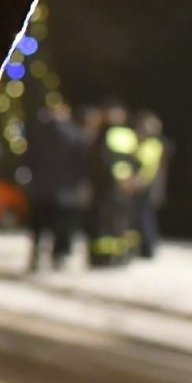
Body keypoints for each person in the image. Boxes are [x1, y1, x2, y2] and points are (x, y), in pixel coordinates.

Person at [25, 100, 88, 271]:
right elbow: (81, 163)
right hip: (65, 191)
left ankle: (36, 256)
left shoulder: (38, 132)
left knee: (39, 226)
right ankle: (60, 256)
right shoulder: (75, 134)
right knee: (62, 226)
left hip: (41, 188)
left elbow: (30, 158)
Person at [87, 100, 139, 267]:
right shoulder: (128, 134)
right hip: (119, 185)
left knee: (111, 220)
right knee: (117, 220)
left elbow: (105, 159)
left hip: (110, 186)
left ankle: (107, 256)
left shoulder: (106, 133)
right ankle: (115, 255)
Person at [132, 110, 171, 259]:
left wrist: (139, 181)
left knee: (145, 217)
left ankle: (148, 248)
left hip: (147, 187)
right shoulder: (146, 143)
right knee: (144, 217)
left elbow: (149, 168)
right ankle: (144, 247)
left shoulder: (153, 144)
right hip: (146, 186)